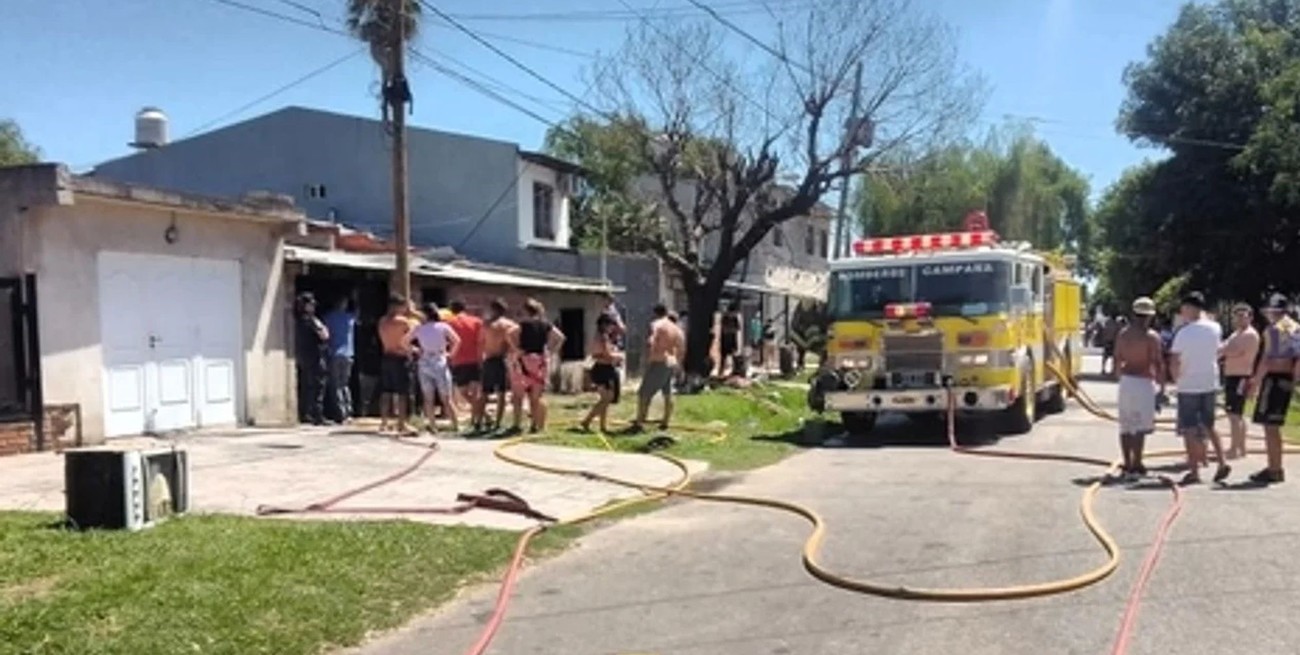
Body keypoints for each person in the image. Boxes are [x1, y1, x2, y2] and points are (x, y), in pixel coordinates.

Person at [1168, 291, 1231, 485]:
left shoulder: (1183, 333)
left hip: (1189, 384)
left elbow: (1175, 359)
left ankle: (1194, 470)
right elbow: (1218, 349)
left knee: (1189, 428)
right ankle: (1221, 461)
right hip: (1209, 382)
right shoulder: (1215, 328)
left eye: (1183, 308)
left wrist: (1175, 379)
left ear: (1189, 308)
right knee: (1209, 425)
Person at [1112, 297, 1166, 479]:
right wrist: (1162, 388)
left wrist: (1120, 377)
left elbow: (1117, 359)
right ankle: (1137, 463)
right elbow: (1158, 363)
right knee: (1140, 426)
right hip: (1143, 382)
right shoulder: (1151, 337)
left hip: (1127, 381)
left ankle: (1127, 462)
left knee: (1126, 425)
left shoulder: (1123, 334)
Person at [1246, 294, 1298, 484]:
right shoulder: (1295, 328)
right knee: (1275, 425)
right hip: (1286, 378)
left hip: (1274, 379)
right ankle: (1275, 466)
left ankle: (1274, 468)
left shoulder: (1275, 330)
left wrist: (1255, 382)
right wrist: (1295, 379)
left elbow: (1268, 359)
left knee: (1270, 427)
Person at [509, 298, 566, 433]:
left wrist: (516, 349)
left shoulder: (523, 324)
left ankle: (517, 424)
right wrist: (551, 351)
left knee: (518, 396)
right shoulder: (545, 324)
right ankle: (535, 424)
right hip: (540, 361)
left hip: (524, 360)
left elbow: (509, 333)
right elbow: (561, 337)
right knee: (536, 396)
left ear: (526, 311)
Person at [627, 303, 685, 432]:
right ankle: (666, 421)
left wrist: (648, 356)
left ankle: (640, 421)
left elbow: (651, 340)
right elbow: (681, 347)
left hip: (659, 360)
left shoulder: (657, 324)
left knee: (644, 393)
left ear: (655, 313)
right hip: (671, 361)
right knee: (668, 392)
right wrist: (678, 363)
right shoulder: (676, 328)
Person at [411, 303, 461, 435]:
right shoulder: (443, 326)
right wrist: (451, 354)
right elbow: (457, 340)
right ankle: (455, 424)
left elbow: (404, 342)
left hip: (425, 360)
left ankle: (433, 426)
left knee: (428, 397)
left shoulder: (419, 328)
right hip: (439, 359)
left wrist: (416, 350)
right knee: (446, 397)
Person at [1219, 303, 1260, 460]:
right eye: (1237, 316)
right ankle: (1241, 448)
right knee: (1235, 414)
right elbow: (1223, 348)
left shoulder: (1250, 334)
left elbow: (1234, 351)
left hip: (1240, 376)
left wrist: (1225, 351)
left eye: (1243, 315)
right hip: (1232, 376)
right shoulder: (1236, 333)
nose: (1240, 319)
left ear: (1250, 317)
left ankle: (1234, 448)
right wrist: (1224, 350)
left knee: (1234, 414)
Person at [377, 294, 419, 436]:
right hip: (400, 358)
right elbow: (419, 327)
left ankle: (384, 422)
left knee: (386, 391)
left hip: (386, 356)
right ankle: (401, 423)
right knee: (403, 392)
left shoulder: (382, 321)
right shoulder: (403, 322)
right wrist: (413, 312)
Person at [580, 314, 623, 433]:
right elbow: (607, 355)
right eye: (611, 325)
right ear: (604, 325)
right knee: (607, 398)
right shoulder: (603, 337)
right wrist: (619, 356)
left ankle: (603, 426)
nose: (612, 328)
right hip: (604, 369)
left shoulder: (601, 336)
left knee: (605, 399)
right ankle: (587, 420)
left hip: (602, 368)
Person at [479, 298, 517, 432]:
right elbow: (513, 345)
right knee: (502, 393)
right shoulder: (510, 325)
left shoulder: (487, 325)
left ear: (493, 309)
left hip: (489, 359)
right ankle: (498, 423)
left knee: (484, 392)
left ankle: (478, 421)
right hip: (502, 359)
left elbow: (481, 343)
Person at [446, 299, 484, 422]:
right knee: (476, 392)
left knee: (463, 392)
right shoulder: (477, 321)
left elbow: (447, 341)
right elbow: (481, 341)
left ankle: (479, 416)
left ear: (452, 310)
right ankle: (478, 417)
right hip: (475, 359)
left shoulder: (450, 323)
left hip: (459, 360)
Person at [295, 292, 329, 426]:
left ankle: (307, 414)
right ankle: (317, 415)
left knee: (307, 386)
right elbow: (324, 335)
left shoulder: (299, 320)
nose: (313, 307)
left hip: (305, 357)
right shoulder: (311, 321)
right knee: (318, 386)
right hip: (315, 356)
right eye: (311, 305)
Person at [322, 294, 357, 423]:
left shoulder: (329, 317)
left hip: (334, 354)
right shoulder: (350, 318)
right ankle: (348, 411)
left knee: (336, 385)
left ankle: (341, 413)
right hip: (348, 354)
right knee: (345, 384)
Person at [719, 302, 742, 377]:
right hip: (725, 339)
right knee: (723, 356)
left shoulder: (735, 318)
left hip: (732, 338)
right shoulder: (725, 317)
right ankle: (721, 371)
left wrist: (731, 330)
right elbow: (723, 328)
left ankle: (736, 370)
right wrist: (730, 329)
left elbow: (738, 328)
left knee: (734, 355)